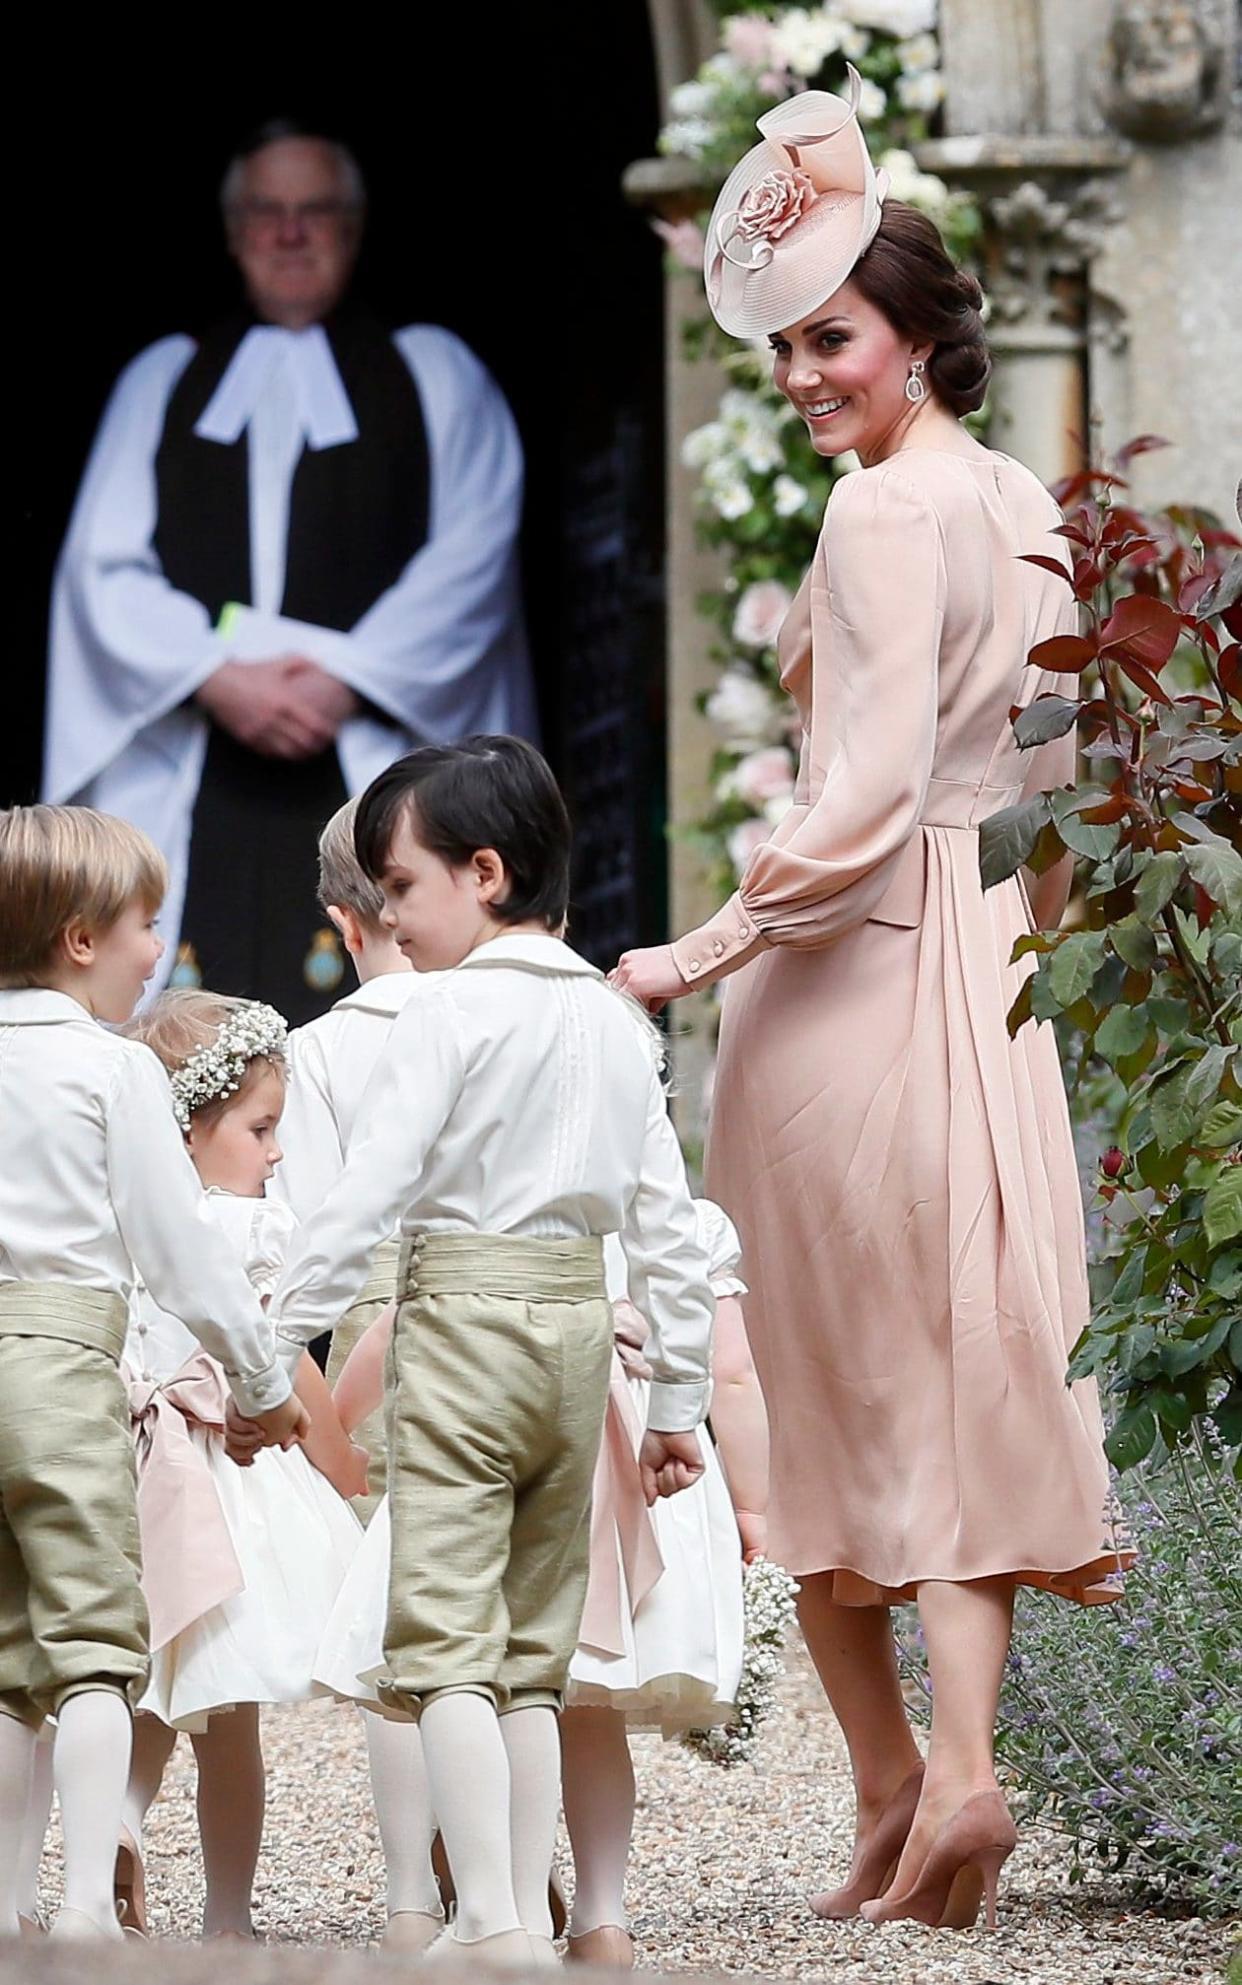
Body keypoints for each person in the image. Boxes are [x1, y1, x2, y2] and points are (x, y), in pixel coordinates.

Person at [613, 70, 1133, 1935]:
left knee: (807, 1386)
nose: (805, 371)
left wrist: (701, 948)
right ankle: (947, 1778)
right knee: (943, 1370)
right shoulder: (1020, 499)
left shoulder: (881, 519)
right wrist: (1044, 960)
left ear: (916, 338)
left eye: (833, 337)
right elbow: (1063, 760)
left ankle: (896, 1780)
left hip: (850, 978)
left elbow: (857, 795)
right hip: (988, 972)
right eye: (792, 343)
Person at [249, 736, 715, 1971]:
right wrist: (676, 1398)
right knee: (530, 1651)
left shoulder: (446, 1010)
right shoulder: (617, 1025)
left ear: (486, 874)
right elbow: (665, 1222)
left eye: (400, 887)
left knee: (444, 1637)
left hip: (459, 1325)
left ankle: (494, 1918)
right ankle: (504, 1909)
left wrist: (262, 1345)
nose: (391, 915)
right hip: (575, 1341)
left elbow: (363, 1200)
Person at [45, 121, 535, 1025]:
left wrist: (347, 677)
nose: (291, 233)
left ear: (352, 229)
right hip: (197, 757)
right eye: (267, 213)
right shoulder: (165, 380)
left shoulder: (433, 374)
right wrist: (217, 676)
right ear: (234, 233)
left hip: (371, 752)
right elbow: (102, 571)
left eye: (315, 212)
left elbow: (474, 550)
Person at [0, 805, 304, 1943]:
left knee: (3, 1646)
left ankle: (6, 1900)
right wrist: (265, 1384)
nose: (155, 950)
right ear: (81, 938)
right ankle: (83, 1905)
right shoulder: (106, 1070)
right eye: (145, 926)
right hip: (62, 1367)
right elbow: (181, 1252)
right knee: (88, 1647)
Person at [115, 991, 364, 1942]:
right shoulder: (250, 1230)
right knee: (229, 1723)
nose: (276, 1152)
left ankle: (123, 1821)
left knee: (147, 1684)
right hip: (237, 1477)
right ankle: (226, 1917)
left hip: (146, 1468)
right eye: (261, 1128)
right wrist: (339, 1467)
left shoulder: (127, 1225)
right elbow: (283, 1360)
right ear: (186, 1128)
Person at [268, 798, 438, 1951]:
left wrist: (304, 1396)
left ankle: (411, 1891)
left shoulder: (322, 1048)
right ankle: (521, 1866)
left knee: (394, 1620)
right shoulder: (503, 1014)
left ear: (344, 913)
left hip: (375, 1323)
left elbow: (311, 1230)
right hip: (513, 1311)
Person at [561, 1198, 767, 1970]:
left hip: (543, 1438)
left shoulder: (519, 1200)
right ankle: (601, 1912)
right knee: (592, 1709)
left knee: (503, 1691)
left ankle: (499, 1896)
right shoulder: (688, 1221)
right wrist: (752, 1505)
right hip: (651, 1469)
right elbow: (734, 1376)